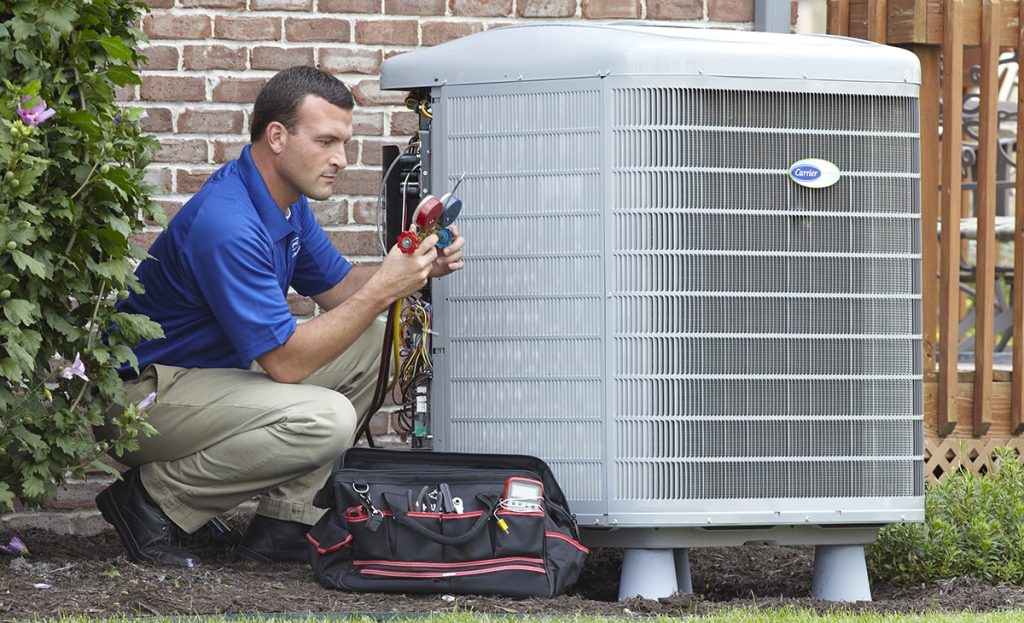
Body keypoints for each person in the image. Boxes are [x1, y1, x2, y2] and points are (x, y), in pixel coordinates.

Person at [94, 66, 464, 568]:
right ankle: (151, 502)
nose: (341, 160)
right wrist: (383, 288)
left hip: (205, 380)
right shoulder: (228, 222)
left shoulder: (283, 204)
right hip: (141, 401)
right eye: (327, 141)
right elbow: (286, 364)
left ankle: (285, 525)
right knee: (324, 418)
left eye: (345, 143)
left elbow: (339, 292)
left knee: (382, 341)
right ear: (277, 136)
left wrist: (416, 268)